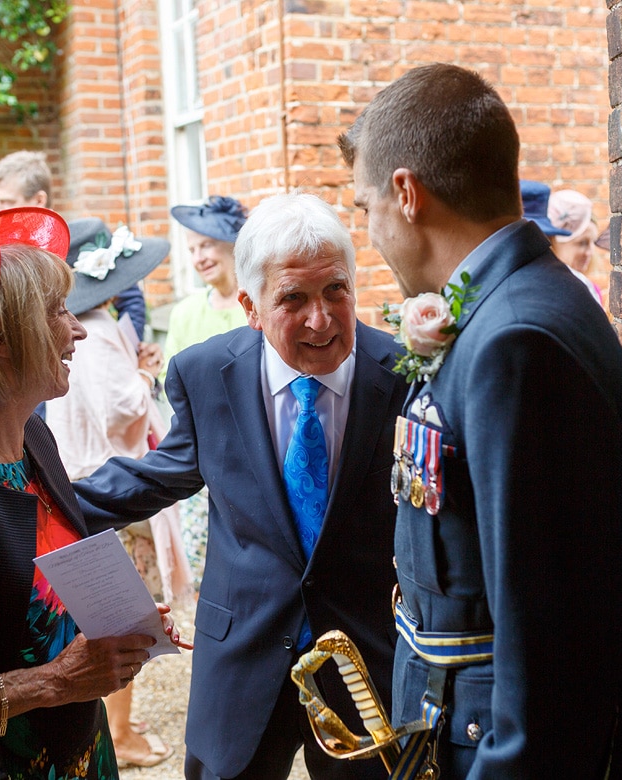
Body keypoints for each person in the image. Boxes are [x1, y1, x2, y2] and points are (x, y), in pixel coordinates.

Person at [340, 63, 622, 777]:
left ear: (408, 194)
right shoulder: (504, 310)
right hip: (443, 713)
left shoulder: (515, 342)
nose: (372, 232)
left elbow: (549, 642)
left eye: (365, 208)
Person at [74, 192, 409, 780]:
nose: (321, 318)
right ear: (250, 306)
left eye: (336, 290)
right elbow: (164, 472)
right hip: (244, 650)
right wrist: (35, 501)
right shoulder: (205, 373)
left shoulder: (400, 374)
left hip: (365, 657)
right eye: (293, 299)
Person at [0, 207, 189, 779]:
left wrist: (112, 625)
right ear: (1, 337)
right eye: (58, 312)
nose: (78, 329)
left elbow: (47, 553)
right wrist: (54, 682)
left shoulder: (31, 433)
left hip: (82, 750)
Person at [44, 217, 190, 769]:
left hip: (87, 471)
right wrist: (145, 375)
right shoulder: (100, 333)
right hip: (108, 481)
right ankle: (122, 733)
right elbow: (121, 408)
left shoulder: (85, 328)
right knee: (123, 620)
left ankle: (119, 725)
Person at [161, 195, 250, 593]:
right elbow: (172, 388)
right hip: (206, 452)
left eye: (207, 245)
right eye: (192, 249)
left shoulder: (257, 304)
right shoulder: (185, 312)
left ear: (233, 242)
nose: (199, 257)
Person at [0, 150, 147, 339]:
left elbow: (131, 301)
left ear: (38, 200)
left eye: (6, 201)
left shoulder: (78, 242)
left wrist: (126, 351)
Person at [547, 186, 609, 308]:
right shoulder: (547, 289)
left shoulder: (592, 289)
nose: (589, 252)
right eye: (582, 243)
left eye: (593, 242)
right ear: (554, 242)